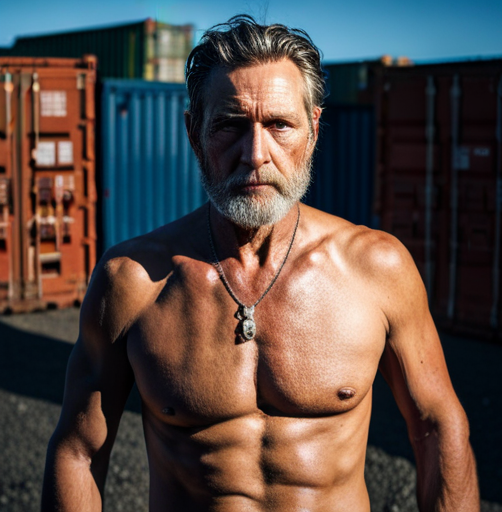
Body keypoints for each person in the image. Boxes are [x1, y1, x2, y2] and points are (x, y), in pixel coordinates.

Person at [42, 15, 479, 512]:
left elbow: (437, 426)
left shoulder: (376, 268)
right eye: (229, 125)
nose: (255, 154)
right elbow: (78, 451)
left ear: (313, 130)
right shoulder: (132, 281)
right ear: (193, 132)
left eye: (279, 124)